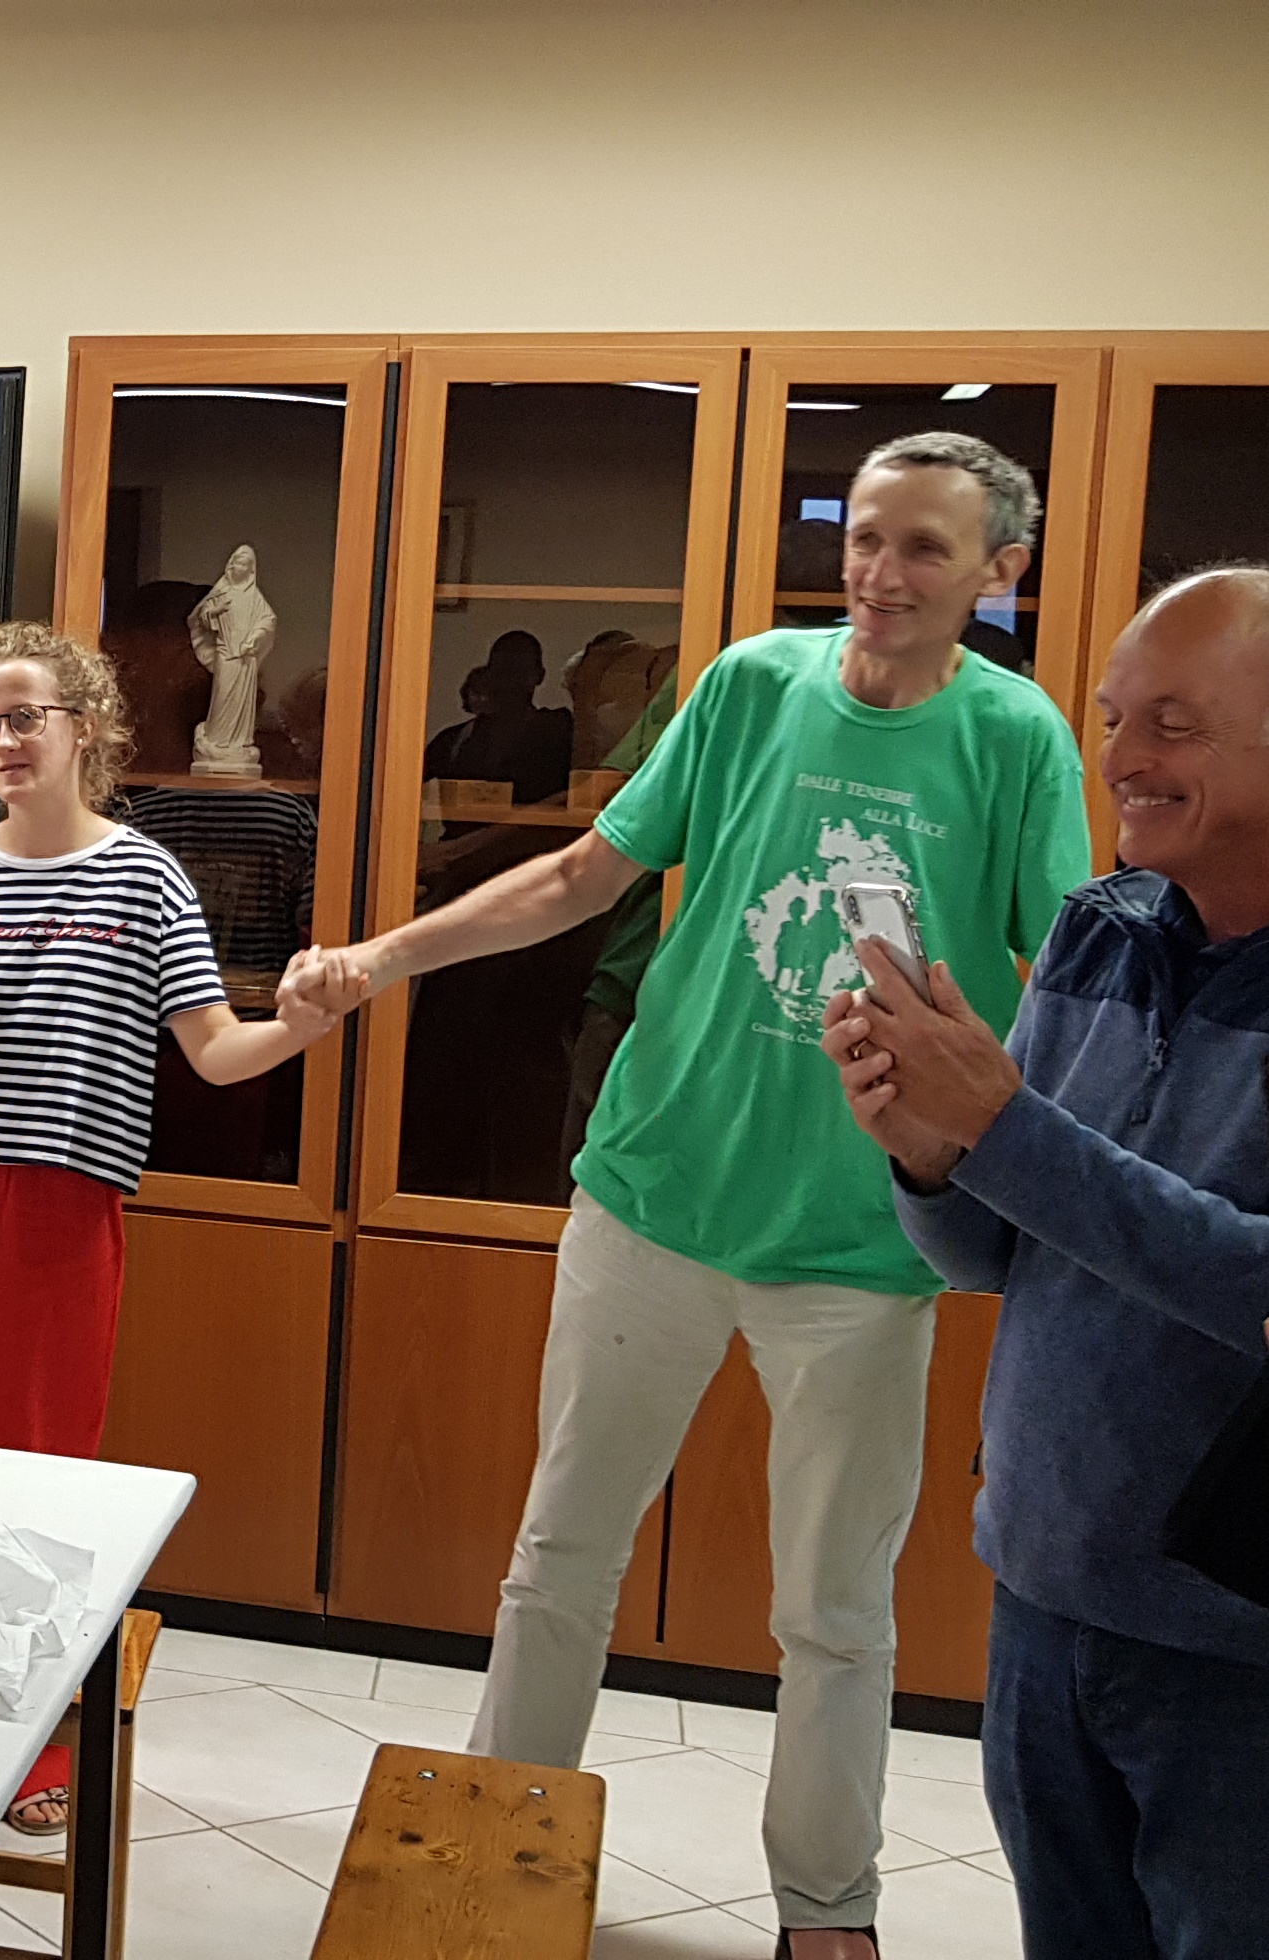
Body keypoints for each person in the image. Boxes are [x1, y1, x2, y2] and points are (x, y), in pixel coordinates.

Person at [291, 431, 1094, 1957]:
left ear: (997, 571)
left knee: (832, 1614)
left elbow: (1059, 972)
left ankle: (825, 1911)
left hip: (862, 1243)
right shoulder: (746, 686)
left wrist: (1062, 1181)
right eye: (862, 538)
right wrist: (380, 959)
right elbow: (578, 878)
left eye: (922, 548)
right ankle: (494, 1858)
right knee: (557, 1558)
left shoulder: (1013, 735)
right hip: (649, 1199)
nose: (878, 574)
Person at [827, 567, 1269, 1960]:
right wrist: (924, 1152)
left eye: (1173, 725)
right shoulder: (1097, 926)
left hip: (1235, 1642)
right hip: (1042, 1586)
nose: (1122, 758)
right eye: (1113, 717)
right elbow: (993, 1252)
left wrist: (1005, 1129)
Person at [0, 622, 356, 1458]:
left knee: (34, 1445)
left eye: (24, 718)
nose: (2, 742)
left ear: (82, 725)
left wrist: (296, 1027)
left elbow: (213, 1051)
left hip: (58, 1195)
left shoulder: (145, 876)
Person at [422, 630, 576, 808]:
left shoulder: (556, 730)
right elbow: (406, 784)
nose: (509, 682)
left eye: (519, 672)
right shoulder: (453, 741)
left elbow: (580, 791)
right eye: (502, 671)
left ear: (538, 676)